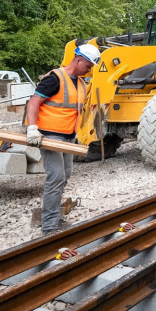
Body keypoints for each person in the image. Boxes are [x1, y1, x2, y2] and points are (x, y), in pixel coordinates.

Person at [25, 44, 101, 235]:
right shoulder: (55, 78)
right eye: (88, 65)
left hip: (68, 137)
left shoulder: (82, 83)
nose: (89, 69)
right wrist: (32, 129)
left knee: (65, 175)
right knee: (56, 177)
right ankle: (49, 225)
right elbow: (34, 101)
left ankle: (55, 216)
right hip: (49, 135)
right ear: (78, 59)